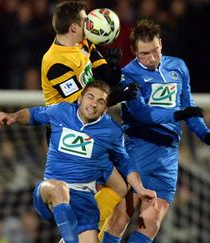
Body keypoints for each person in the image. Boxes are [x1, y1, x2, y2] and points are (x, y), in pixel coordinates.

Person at [100, 19, 210, 243]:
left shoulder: (178, 67)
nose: (152, 58)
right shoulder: (128, 74)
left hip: (168, 155)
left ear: (161, 44)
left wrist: (205, 134)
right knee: (121, 216)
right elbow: (142, 114)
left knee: (152, 221)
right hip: (139, 149)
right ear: (134, 52)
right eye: (144, 54)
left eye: (155, 51)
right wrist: (178, 115)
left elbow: (189, 105)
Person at [0, 80, 157, 243]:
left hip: (83, 201)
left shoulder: (111, 131)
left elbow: (125, 163)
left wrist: (140, 188)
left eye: (100, 101)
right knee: (59, 188)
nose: (93, 104)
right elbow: (33, 114)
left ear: (105, 108)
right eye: (90, 97)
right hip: (49, 192)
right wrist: (12, 116)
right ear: (80, 99)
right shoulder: (61, 111)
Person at [40, 1, 137, 231]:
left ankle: (84, 233)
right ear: (74, 27)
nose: (90, 22)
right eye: (85, 20)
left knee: (121, 189)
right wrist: (120, 95)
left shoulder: (83, 42)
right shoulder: (56, 62)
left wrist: (113, 69)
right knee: (103, 192)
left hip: (90, 126)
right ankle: (80, 232)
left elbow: (102, 76)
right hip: (67, 135)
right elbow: (85, 105)